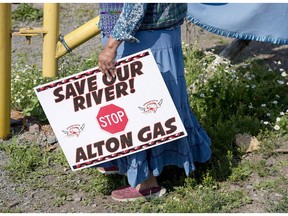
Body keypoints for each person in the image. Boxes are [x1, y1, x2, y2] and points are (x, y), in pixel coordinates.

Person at [96, 3, 212, 202]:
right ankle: (123, 159)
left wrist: (110, 46)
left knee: (141, 110)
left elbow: (135, 6)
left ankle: (146, 182)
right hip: (151, 33)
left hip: (143, 37)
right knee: (144, 104)